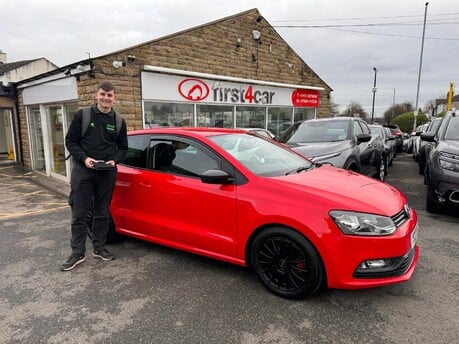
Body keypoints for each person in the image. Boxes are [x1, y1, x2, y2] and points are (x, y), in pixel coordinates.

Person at [61, 81, 128, 271]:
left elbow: (123, 148)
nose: (106, 98)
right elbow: (71, 142)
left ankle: (98, 248)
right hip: (84, 170)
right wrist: (85, 159)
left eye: (110, 95)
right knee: (79, 213)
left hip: (107, 172)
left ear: (114, 97)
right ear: (96, 95)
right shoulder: (83, 115)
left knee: (102, 212)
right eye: (103, 94)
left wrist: (114, 161)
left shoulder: (119, 121)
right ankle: (77, 253)